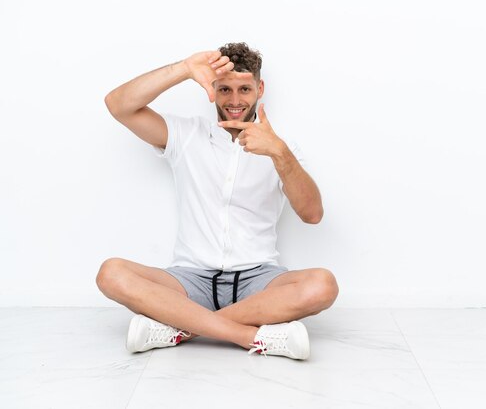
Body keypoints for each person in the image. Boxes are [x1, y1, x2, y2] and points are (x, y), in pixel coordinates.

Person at [96, 42, 338, 360]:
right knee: (110, 273)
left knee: (323, 285)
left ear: (260, 88)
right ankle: (249, 336)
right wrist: (184, 68)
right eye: (224, 89)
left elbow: (312, 214)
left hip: (258, 279)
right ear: (212, 87)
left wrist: (279, 152)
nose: (235, 101)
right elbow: (118, 105)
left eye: (244, 89)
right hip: (189, 278)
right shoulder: (186, 135)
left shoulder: (282, 148)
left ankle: (180, 328)